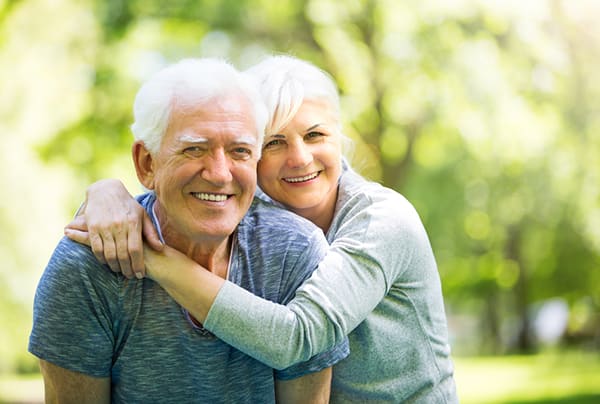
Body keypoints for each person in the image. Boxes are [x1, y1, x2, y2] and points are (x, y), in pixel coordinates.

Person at [67, 55, 458, 402]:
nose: (299, 158)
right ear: (250, 155)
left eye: (315, 135)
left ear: (340, 138)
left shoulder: (382, 220)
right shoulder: (254, 213)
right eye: (273, 143)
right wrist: (106, 193)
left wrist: (157, 261)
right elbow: (176, 187)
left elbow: (298, 337)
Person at [29, 57, 349, 403]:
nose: (220, 173)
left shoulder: (294, 252)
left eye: (239, 151)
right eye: (194, 149)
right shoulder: (87, 269)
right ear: (146, 163)